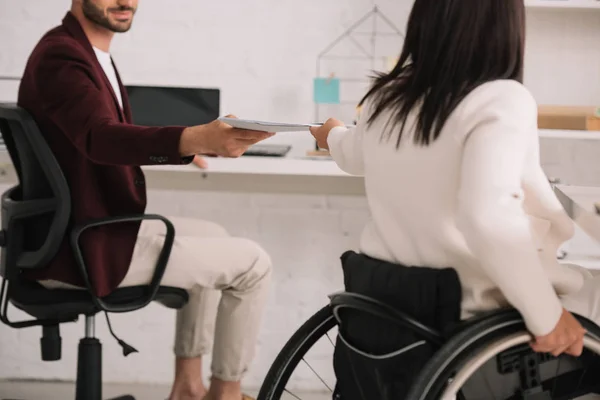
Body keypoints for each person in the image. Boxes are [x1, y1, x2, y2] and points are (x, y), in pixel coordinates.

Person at [311, 0, 600, 359]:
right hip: (473, 302)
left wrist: (330, 135)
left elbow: (354, 155)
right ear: (506, 25)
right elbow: (488, 217)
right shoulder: (501, 99)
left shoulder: (386, 98)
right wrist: (547, 317)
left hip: (391, 299)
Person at [17, 1, 272, 399]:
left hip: (77, 231)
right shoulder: (62, 57)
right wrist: (192, 138)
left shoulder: (84, 50)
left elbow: (98, 139)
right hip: (80, 248)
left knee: (216, 234)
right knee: (254, 264)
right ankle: (226, 394)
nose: (126, 1)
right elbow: (100, 138)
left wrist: (187, 147)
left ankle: (187, 387)